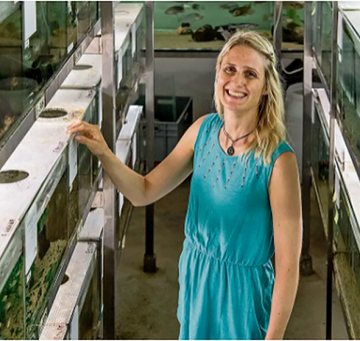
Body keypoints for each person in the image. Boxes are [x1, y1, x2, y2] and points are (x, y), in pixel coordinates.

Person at [67, 31, 302, 340]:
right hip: (197, 279)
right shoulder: (202, 132)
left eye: (250, 74)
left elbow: (287, 266)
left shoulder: (278, 161)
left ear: (266, 89)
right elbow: (144, 191)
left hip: (243, 297)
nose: (237, 81)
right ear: (218, 73)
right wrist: (103, 153)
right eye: (229, 69)